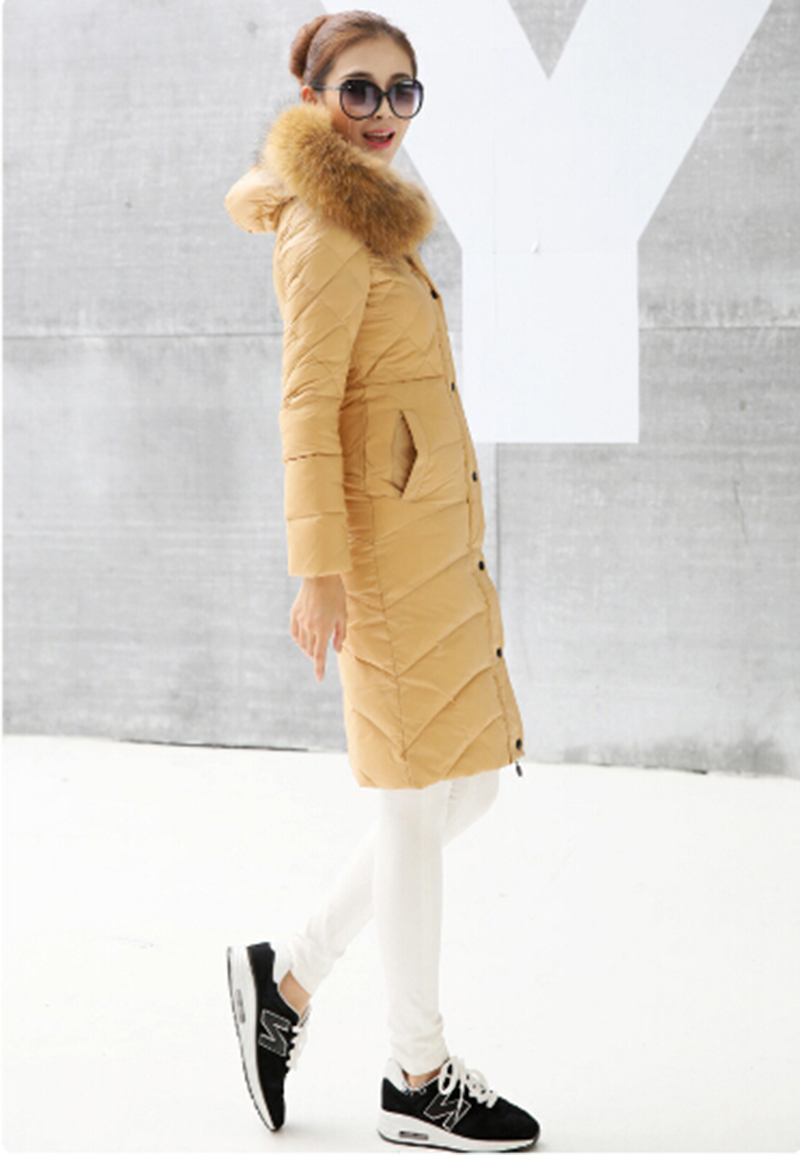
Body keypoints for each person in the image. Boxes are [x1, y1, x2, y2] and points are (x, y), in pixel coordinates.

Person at [223, 11, 539, 1150]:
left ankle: (287, 979)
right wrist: (318, 570)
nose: (382, 114)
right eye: (359, 91)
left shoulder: (375, 220)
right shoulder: (323, 228)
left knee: (467, 790)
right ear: (315, 98)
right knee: (411, 804)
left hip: (427, 548)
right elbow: (305, 407)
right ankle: (417, 1073)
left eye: (402, 92)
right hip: (377, 562)